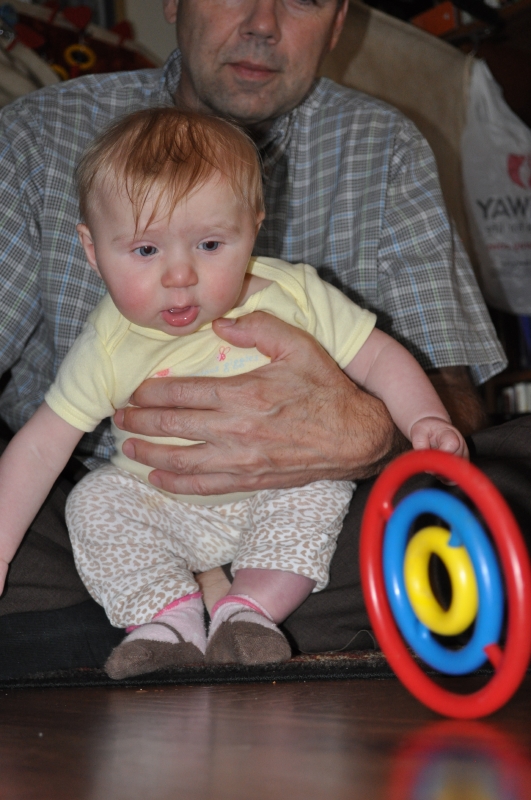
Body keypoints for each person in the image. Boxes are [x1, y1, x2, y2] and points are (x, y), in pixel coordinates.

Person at [0, 0, 524, 676]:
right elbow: (41, 445)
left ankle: (228, 619)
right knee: (82, 507)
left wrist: (372, 431)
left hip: (306, 508)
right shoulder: (35, 135)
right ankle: (173, 619)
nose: (262, 23)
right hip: (117, 520)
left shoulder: (377, 156)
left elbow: (424, 385)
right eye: (145, 250)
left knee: (499, 474)